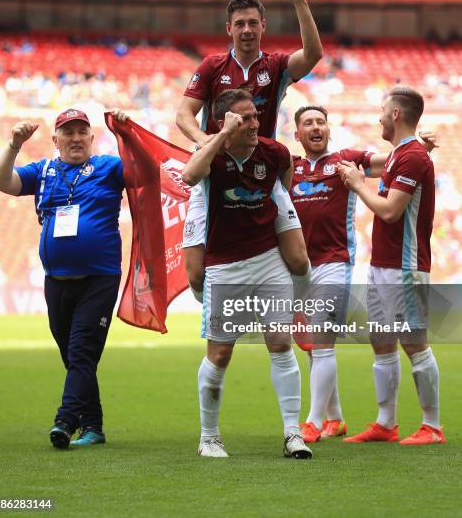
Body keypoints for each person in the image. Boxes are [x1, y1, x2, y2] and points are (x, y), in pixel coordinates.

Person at [176, 0, 322, 302]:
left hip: (261, 168)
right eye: (239, 23)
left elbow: (313, 55)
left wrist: (300, 2)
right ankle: (215, 310)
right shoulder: (212, 66)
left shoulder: (275, 66)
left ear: (263, 27)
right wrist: (207, 143)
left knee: (299, 260)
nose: (246, 29)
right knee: (196, 275)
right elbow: (183, 114)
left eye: (252, 23)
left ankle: (298, 310)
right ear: (229, 29)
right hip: (215, 172)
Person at [290, 105, 436, 443]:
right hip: (299, 266)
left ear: (329, 129)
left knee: (323, 340)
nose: (316, 127)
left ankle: (311, 422)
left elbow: (393, 164)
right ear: (297, 134)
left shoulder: (348, 159)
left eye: (321, 122)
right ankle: (335, 419)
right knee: (313, 347)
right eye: (308, 123)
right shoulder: (291, 168)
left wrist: (419, 149)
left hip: (334, 261)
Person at [181, 89, 312, 459]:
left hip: (268, 258)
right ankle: (209, 437)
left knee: (280, 343)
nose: (254, 124)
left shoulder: (274, 153)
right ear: (226, 122)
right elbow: (190, 176)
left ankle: (293, 433)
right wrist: (222, 135)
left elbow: (284, 177)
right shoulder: (211, 153)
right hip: (224, 264)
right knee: (220, 354)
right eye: (245, 119)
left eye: (255, 116)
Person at [0, 108, 129, 449]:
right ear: (55, 140)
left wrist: (128, 136)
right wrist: (13, 144)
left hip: (100, 277)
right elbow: (1, 182)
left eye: (82, 132)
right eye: (68, 133)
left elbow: (146, 172)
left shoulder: (109, 167)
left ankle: (65, 421)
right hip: (56, 280)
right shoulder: (43, 171)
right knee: (74, 358)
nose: (76, 138)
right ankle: (93, 427)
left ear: (92, 138)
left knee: (81, 352)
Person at [338, 86, 445, 445]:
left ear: (396, 114)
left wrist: (356, 184)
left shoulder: (412, 156)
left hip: (406, 265)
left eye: (383, 111)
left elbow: (390, 209)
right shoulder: (402, 155)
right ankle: (386, 423)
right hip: (384, 263)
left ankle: (432, 426)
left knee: (415, 342)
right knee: (381, 340)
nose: (379, 117)